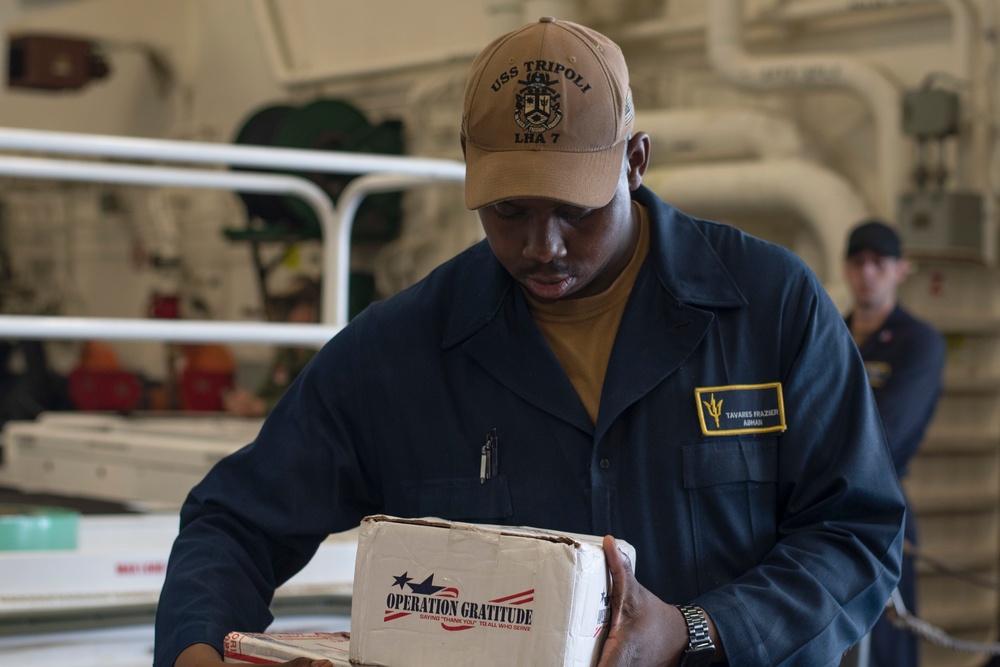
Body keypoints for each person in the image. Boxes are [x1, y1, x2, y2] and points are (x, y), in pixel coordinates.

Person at [155, 17, 906, 667]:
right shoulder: (405, 351)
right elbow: (235, 520)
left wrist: (694, 629)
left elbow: (854, 532)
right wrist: (198, 646)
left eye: (574, 209)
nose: (541, 246)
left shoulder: (769, 309)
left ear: (635, 161)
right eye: (508, 210)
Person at [843, 220, 946, 667]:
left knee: (886, 645)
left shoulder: (918, 343)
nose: (868, 273)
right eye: (858, 262)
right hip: (818, 509)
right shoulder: (830, 332)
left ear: (900, 270)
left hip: (882, 509)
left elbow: (890, 431)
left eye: (879, 263)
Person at [220, 275, 320, 418]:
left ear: (309, 313)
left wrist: (263, 407)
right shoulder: (286, 355)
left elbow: (309, 403)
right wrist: (247, 401)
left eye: (292, 307)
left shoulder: (317, 354)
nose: (285, 315)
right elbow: (268, 392)